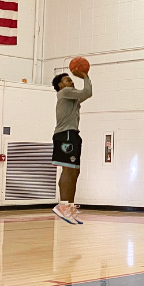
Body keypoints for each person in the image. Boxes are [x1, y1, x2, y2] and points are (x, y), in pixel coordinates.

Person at [50, 70, 92, 224]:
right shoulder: (65, 92)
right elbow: (87, 92)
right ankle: (63, 205)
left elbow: (83, 96)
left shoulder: (71, 98)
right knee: (68, 169)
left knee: (75, 170)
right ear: (61, 85)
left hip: (72, 134)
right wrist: (85, 75)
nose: (71, 82)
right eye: (68, 80)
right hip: (65, 134)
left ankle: (70, 207)